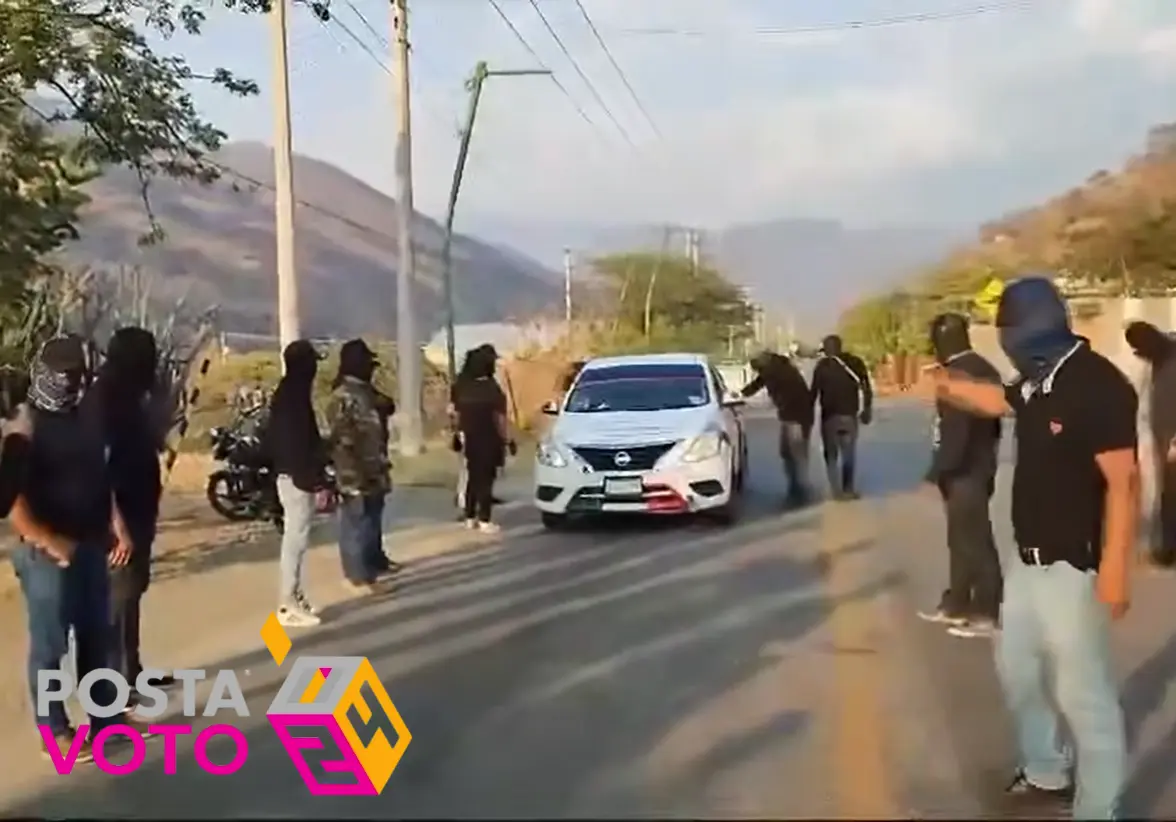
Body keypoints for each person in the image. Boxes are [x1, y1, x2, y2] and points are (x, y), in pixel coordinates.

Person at [930, 276, 1135, 819]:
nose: (1006, 339)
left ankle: (1098, 807)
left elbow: (1124, 481)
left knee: (1083, 696)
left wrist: (1115, 568)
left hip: (1075, 563)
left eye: (1010, 328)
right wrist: (951, 387)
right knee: (1016, 666)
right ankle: (1046, 769)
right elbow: (1000, 400)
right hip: (1029, 562)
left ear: (1035, 324)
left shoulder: (1098, 385)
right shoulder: (1039, 382)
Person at [11, 336, 150, 761]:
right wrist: (48, 540)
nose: (72, 382)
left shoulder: (84, 415)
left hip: (92, 543)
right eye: (65, 375)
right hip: (46, 554)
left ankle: (106, 720)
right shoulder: (25, 423)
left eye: (77, 374)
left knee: (98, 638)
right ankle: (55, 732)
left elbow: (101, 477)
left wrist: (118, 527)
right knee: (51, 645)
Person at [83, 327, 178, 699]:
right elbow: (96, 466)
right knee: (117, 600)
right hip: (117, 517)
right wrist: (116, 525)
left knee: (132, 593)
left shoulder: (129, 395)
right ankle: (114, 687)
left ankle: (131, 671)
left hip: (139, 511)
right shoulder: (103, 398)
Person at [917, 313, 1004, 638]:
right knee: (960, 539)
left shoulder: (960, 373)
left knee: (975, 541)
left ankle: (986, 609)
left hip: (966, 470)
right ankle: (957, 603)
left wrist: (937, 471)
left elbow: (957, 430)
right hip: (977, 465)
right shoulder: (982, 367)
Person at [265, 340, 328, 626]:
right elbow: (296, 443)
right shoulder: (293, 397)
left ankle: (293, 595)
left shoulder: (290, 392)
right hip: (296, 477)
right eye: (312, 362)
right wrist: (314, 481)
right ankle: (287, 603)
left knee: (297, 539)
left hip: (293, 475)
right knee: (295, 540)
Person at [326, 339, 396, 593]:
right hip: (353, 469)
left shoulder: (366, 391)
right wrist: (351, 470)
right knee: (356, 521)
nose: (372, 368)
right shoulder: (343, 395)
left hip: (375, 464)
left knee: (372, 519)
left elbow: (387, 405)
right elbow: (340, 437)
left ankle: (373, 562)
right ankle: (357, 577)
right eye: (368, 364)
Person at [1124, 320, 1176, 567]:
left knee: (1171, 497)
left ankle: (1167, 551)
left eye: (1140, 350)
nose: (1139, 355)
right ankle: (1166, 548)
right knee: (1167, 494)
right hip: (1162, 438)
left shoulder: (1170, 360)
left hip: (1172, 441)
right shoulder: (1159, 359)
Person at [454, 344, 514, 533]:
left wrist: (456, 432)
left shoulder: (461, 386)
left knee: (473, 476)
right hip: (489, 438)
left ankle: (470, 516)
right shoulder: (491, 389)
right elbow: (500, 419)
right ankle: (485, 519)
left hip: (470, 437)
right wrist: (507, 439)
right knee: (486, 479)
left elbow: (453, 413)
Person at [740, 350, 813, 505]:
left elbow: (758, 385)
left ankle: (799, 490)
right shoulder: (779, 368)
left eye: (758, 369)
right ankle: (797, 487)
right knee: (790, 454)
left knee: (795, 455)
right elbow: (758, 384)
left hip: (795, 417)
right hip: (796, 417)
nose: (758, 372)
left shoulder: (775, 372)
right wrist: (742, 393)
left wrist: (742, 395)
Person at [809, 334, 873, 500]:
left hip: (829, 417)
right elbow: (867, 387)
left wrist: (807, 417)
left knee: (831, 455)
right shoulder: (855, 362)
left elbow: (813, 393)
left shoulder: (822, 366)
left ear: (827, 349)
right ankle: (848, 489)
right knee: (849, 454)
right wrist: (867, 409)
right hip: (849, 416)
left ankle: (836, 491)